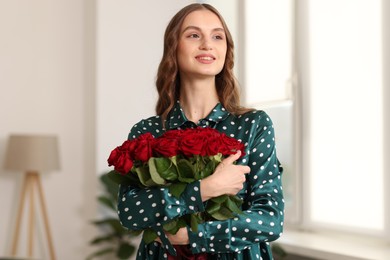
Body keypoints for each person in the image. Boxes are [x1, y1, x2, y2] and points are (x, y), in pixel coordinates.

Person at [117, 3, 284, 259]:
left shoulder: (253, 125)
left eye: (217, 36)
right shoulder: (147, 132)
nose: (207, 44)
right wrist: (205, 188)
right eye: (194, 35)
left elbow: (270, 219)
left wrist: (194, 236)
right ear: (174, 47)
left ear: (226, 50)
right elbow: (130, 213)